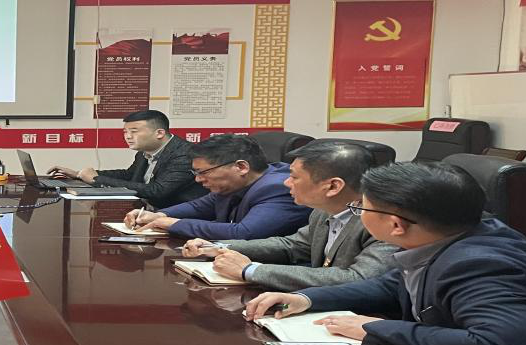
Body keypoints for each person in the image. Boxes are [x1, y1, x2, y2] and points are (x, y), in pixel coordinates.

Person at [245, 162, 526, 345]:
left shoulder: (480, 263)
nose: (359, 214)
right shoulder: (444, 236)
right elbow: (391, 286)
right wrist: (307, 298)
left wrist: (377, 329)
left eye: (362, 208)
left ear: (396, 225)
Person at [180, 141, 396, 290]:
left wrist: (251, 270)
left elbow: (359, 277)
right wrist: (220, 247)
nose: (286, 182)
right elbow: (293, 245)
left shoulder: (384, 220)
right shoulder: (323, 210)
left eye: (294, 177)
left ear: (333, 186)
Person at [125, 134, 309, 240]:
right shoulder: (236, 184)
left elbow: (243, 233)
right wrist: (160, 215)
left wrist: (174, 224)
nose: (198, 179)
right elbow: (201, 205)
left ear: (241, 167)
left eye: (203, 172)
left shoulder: (277, 188)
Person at [47, 109, 206, 208]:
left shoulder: (185, 154)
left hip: (176, 215)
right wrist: (79, 174)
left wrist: (96, 179)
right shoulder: (144, 151)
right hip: (146, 211)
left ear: (159, 133)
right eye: (125, 132)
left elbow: (157, 191)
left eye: (134, 132)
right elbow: (129, 175)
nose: (128, 136)